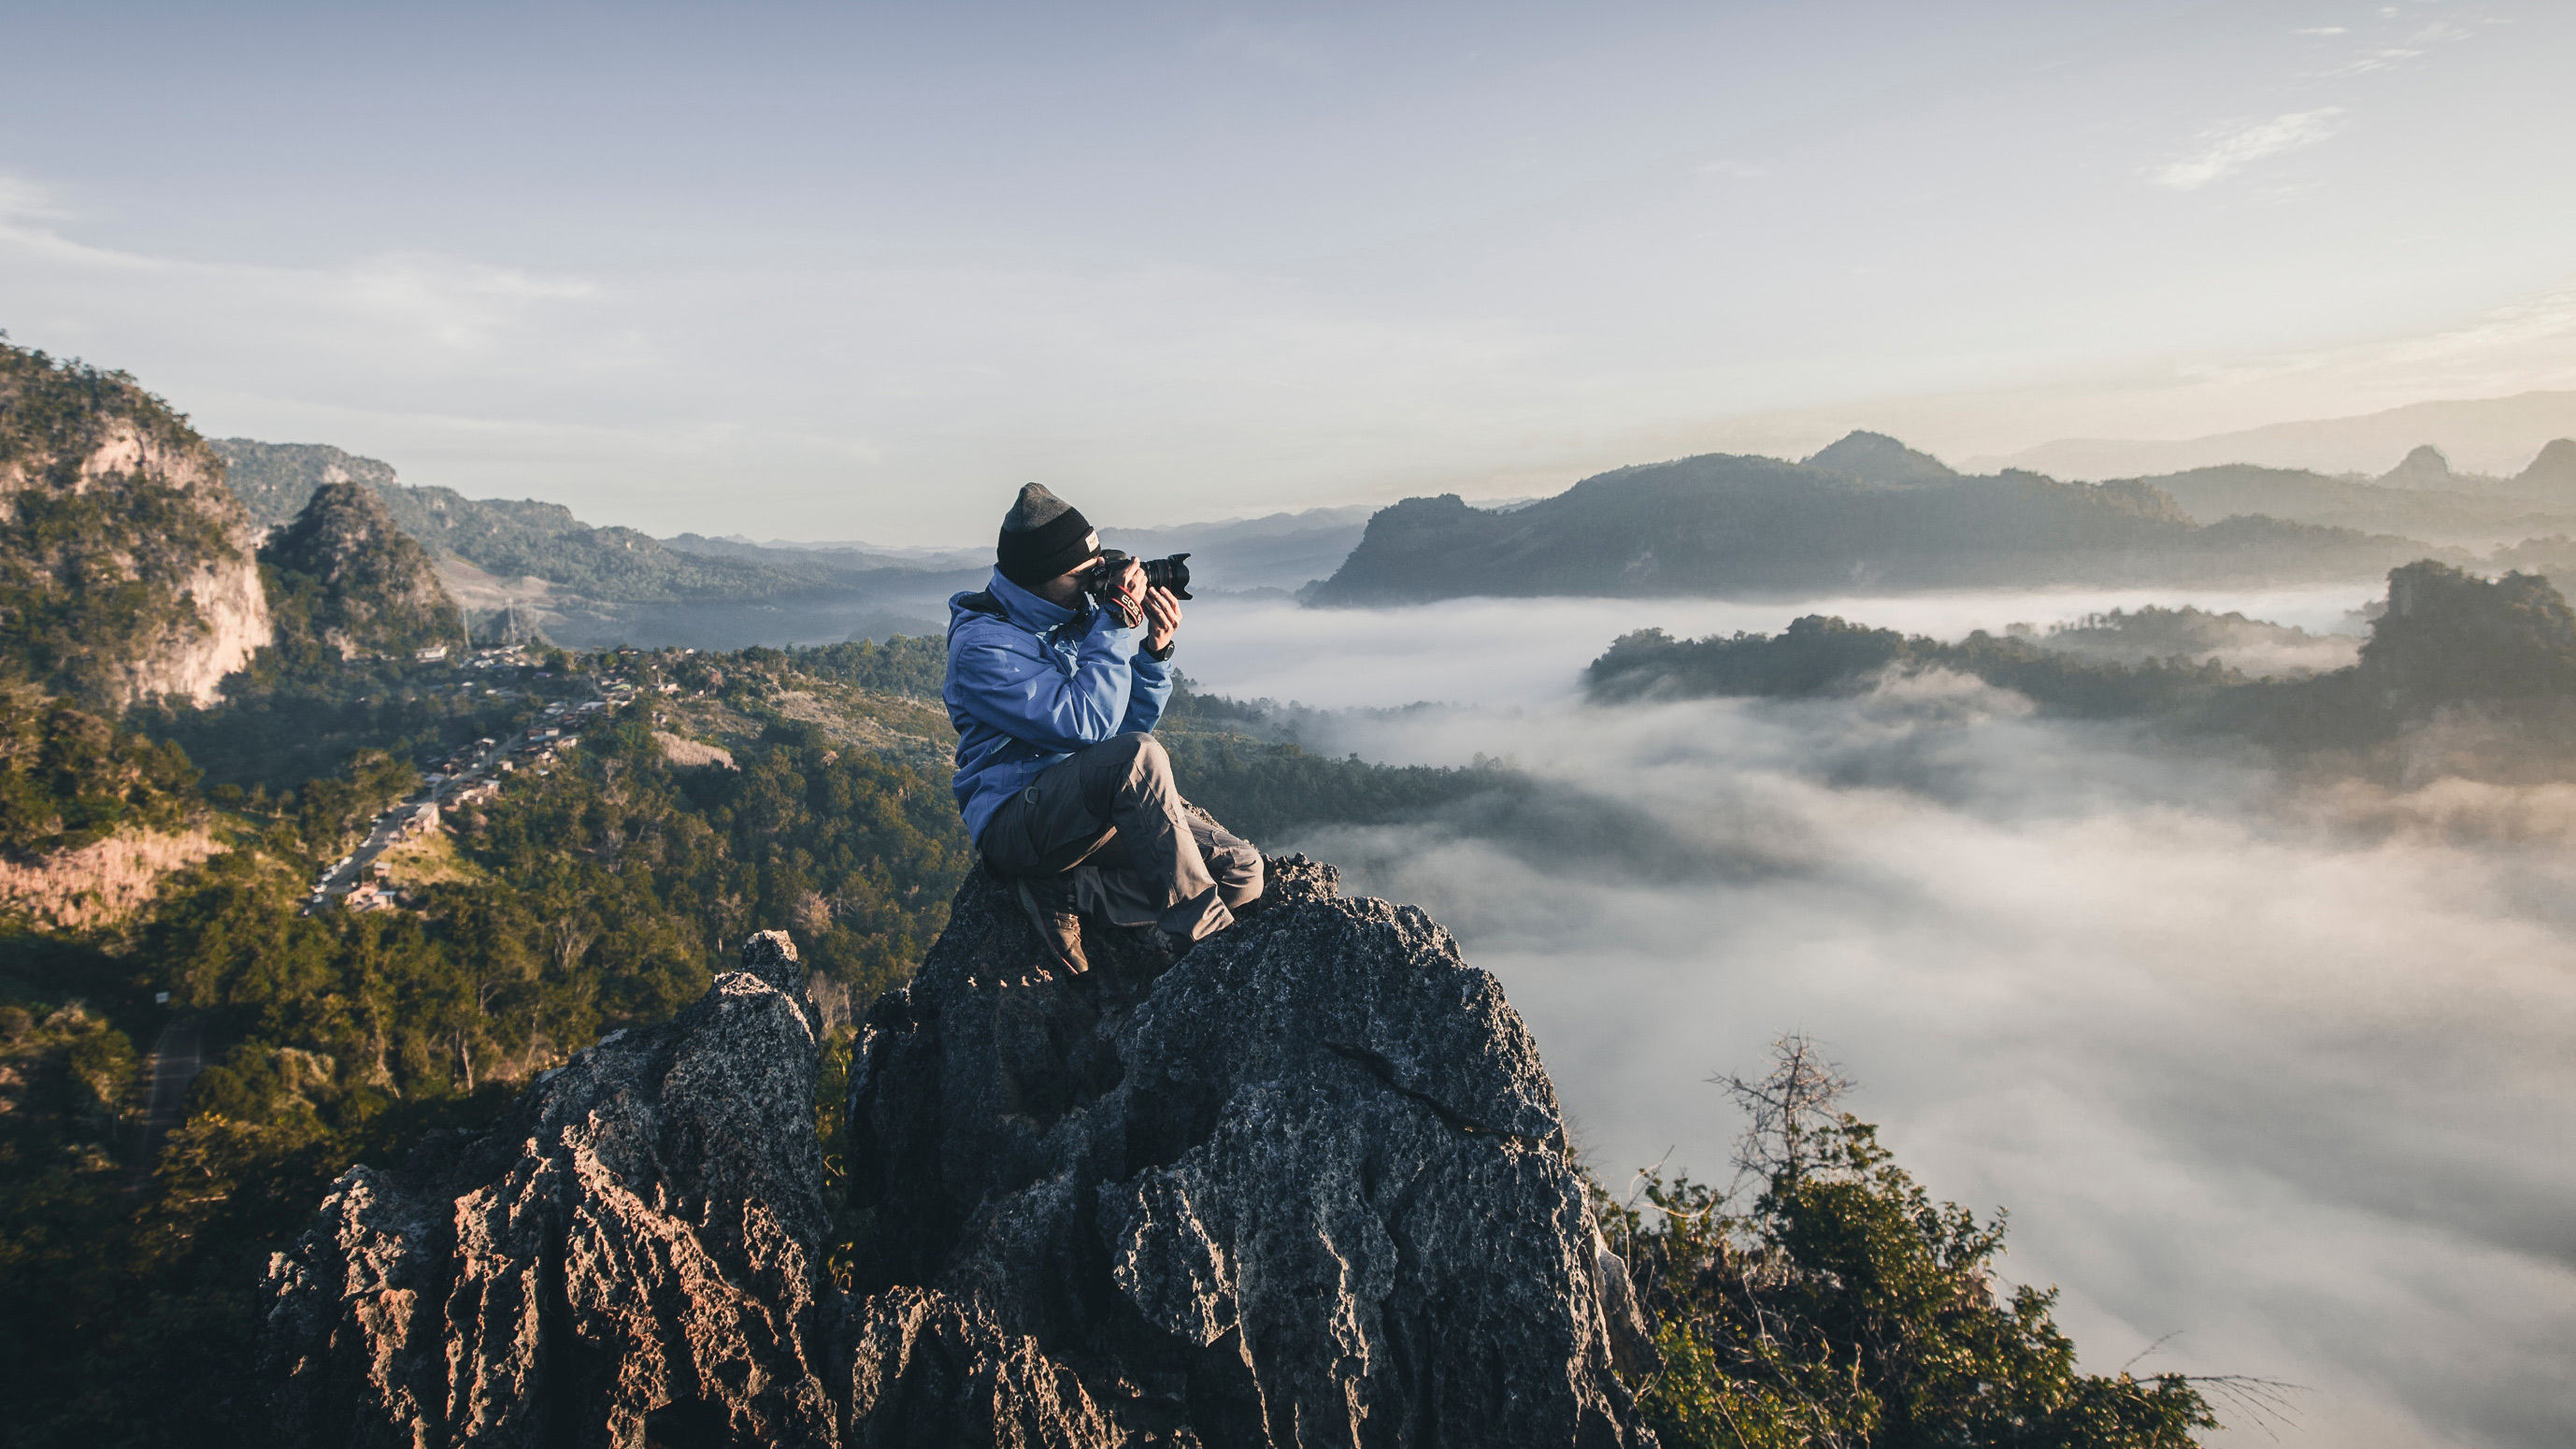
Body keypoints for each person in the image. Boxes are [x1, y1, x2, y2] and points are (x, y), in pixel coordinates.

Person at [944, 482, 1263, 973]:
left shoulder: (1072, 618)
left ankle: (1070, 889)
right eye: (1083, 575)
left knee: (1241, 873)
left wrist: (1154, 656)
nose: (1095, 584)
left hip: (1084, 810)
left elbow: (1119, 735)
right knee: (1141, 756)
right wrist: (1113, 623)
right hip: (1018, 823)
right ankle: (1208, 949)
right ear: (1039, 577)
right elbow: (1089, 728)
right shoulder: (984, 648)